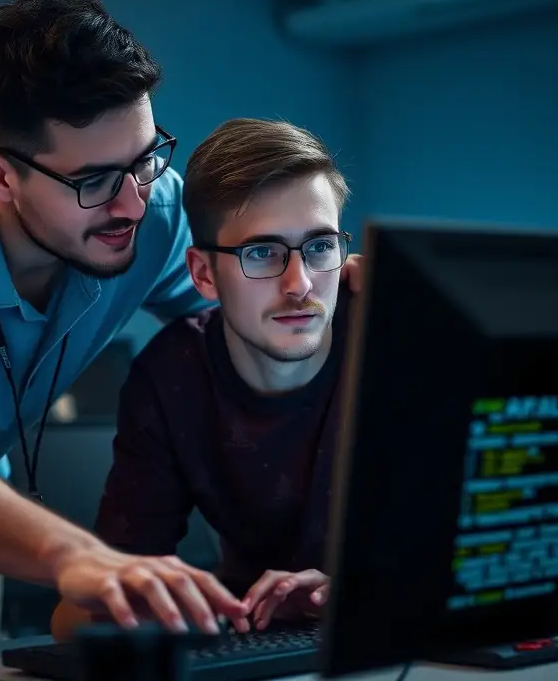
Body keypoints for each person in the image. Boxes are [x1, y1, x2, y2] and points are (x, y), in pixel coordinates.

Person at [0, 0, 364, 644]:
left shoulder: (156, 204)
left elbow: (260, 312)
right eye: (94, 182)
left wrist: (352, 297)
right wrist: (82, 554)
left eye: (145, 160)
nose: (133, 206)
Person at [51, 117, 353, 641]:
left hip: (402, 642)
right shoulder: (171, 379)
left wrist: (355, 595)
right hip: (252, 639)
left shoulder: (391, 338)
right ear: (203, 274)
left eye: (320, 246)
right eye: (261, 253)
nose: (299, 283)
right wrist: (159, 607)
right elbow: (84, 613)